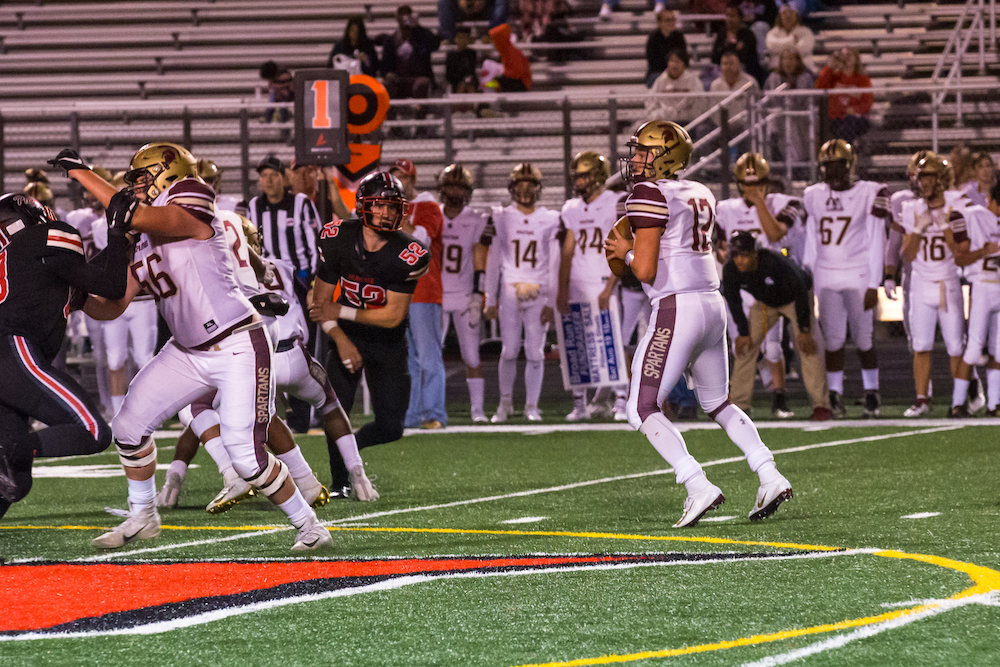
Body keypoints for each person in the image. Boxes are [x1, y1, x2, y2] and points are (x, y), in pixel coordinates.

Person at [53, 143, 330, 551]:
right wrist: (73, 296)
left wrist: (82, 174)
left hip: (237, 342)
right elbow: (112, 307)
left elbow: (142, 213)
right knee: (128, 428)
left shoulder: (191, 196)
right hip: (187, 351)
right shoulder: (143, 235)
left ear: (169, 172)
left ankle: (310, 526)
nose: (138, 188)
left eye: (144, 178)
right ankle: (143, 515)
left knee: (247, 458)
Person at [604, 120, 793, 527]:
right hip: (712, 304)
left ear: (664, 156)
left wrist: (626, 250)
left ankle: (696, 484)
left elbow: (648, 270)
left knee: (641, 408)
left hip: (677, 308)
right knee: (718, 402)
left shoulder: (647, 193)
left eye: (643, 151)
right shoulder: (700, 191)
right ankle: (769, 473)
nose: (635, 159)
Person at [0, 193, 129, 520]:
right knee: (92, 431)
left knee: (15, 479)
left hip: (9, 362)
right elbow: (112, 287)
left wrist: (125, 244)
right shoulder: (46, 238)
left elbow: (100, 299)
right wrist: (116, 233)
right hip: (11, 350)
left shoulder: (28, 265)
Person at [310, 172, 430, 491]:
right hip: (347, 335)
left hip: (388, 343)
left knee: (392, 427)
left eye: (393, 207)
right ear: (363, 206)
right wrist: (341, 339)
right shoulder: (337, 238)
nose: (387, 213)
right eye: (380, 205)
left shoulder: (408, 254)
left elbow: (392, 316)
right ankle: (338, 483)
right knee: (336, 411)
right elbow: (320, 303)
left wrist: (342, 310)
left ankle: (354, 450)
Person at [716, 153, 821, 418]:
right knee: (742, 344)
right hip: (751, 288)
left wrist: (759, 202)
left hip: (786, 285)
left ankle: (792, 399)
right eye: (747, 184)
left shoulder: (785, 203)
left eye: (759, 182)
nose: (752, 188)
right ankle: (739, 403)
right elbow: (719, 249)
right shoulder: (726, 209)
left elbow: (775, 233)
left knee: (785, 346)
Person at [802, 139, 889, 418]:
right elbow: (812, 238)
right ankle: (836, 394)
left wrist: (874, 282)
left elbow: (877, 238)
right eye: (827, 166)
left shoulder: (870, 191)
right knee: (833, 341)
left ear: (850, 165)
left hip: (859, 272)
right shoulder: (813, 194)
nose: (832, 172)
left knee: (864, 339)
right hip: (827, 275)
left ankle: (872, 392)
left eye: (838, 165)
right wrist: (808, 274)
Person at [723, 230, 831, 420]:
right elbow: (733, 300)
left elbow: (800, 289)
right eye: (736, 255)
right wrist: (742, 331)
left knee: (808, 346)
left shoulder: (774, 263)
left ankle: (821, 405)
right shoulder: (731, 269)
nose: (739, 260)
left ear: (754, 253)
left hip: (795, 299)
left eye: (744, 255)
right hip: (765, 302)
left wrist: (804, 330)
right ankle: (739, 405)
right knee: (745, 346)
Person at [484, 163, 561, 422]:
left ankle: (531, 405)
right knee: (508, 350)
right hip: (510, 289)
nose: (525, 189)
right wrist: (489, 296)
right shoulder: (500, 216)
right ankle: (505, 403)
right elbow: (493, 258)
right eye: (520, 184)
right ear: (512, 187)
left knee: (535, 351)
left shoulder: (550, 218)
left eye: (530, 184)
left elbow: (554, 260)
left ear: (539, 189)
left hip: (538, 289)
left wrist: (550, 296)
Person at [895, 154, 970, 417]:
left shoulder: (956, 204)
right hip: (921, 282)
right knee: (921, 345)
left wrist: (944, 225)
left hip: (948, 282)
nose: (923, 182)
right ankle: (921, 399)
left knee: (955, 346)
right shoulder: (911, 208)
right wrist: (917, 229)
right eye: (920, 176)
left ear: (940, 179)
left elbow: (959, 249)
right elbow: (907, 255)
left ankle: (961, 399)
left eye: (928, 176)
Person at [556, 152, 626, 421]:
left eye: (584, 176)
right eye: (577, 176)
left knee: (610, 342)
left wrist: (610, 285)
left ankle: (620, 400)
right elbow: (567, 251)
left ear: (597, 177)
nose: (579, 181)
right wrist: (562, 289)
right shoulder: (571, 208)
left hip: (601, 279)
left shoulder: (615, 202)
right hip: (577, 281)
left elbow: (621, 246)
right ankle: (580, 403)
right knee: (577, 344)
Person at [389, 160, 448, 431]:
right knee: (405, 359)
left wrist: (399, 216)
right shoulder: (390, 206)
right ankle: (410, 415)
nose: (399, 183)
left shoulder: (427, 206)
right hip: (397, 290)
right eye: (395, 178)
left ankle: (434, 413)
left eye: (402, 177)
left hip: (423, 289)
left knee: (428, 356)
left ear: (412, 180)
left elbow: (419, 241)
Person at [438, 164, 490, 422]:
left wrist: (477, 296)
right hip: (436, 296)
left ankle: (477, 410)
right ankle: (432, 408)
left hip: (462, 294)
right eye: (450, 185)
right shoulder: (433, 215)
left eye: (459, 186)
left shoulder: (476, 219)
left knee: (471, 355)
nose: (454, 191)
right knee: (430, 357)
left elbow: (479, 258)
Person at [951, 180, 1000, 417]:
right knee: (972, 349)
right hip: (981, 286)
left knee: (999, 350)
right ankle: (957, 404)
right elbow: (955, 216)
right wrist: (981, 250)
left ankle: (994, 405)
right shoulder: (977, 214)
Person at [248, 155, 320, 315]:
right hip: (269, 278)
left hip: (300, 278)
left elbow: (316, 245)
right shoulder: (254, 206)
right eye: (264, 176)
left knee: (307, 324)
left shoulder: (300, 203)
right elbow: (252, 246)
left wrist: (314, 282)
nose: (269, 180)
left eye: (274, 175)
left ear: (284, 178)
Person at [379, 5, 441, 114]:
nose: (405, 19)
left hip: (416, 78)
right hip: (398, 80)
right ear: (397, 18)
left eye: (407, 15)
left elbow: (435, 44)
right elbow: (384, 66)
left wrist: (417, 26)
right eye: (402, 15)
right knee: (387, 85)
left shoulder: (421, 37)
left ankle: (420, 124)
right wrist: (388, 74)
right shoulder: (390, 40)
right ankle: (394, 127)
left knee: (423, 83)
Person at [763, 48, 815, 170]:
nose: (788, 62)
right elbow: (771, 101)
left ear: (798, 61)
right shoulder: (773, 77)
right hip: (778, 116)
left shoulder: (806, 77)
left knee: (791, 122)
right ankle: (776, 156)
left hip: (801, 117)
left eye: (792, 58)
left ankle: (797, 164)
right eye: (785, 59)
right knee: (774, 120)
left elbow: (805, 101)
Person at [815, 48, 872, 146]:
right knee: (841, 126)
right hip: (836, 119)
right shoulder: (833, 77)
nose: (847, 58)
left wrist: (855, 109)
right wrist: (829, 66)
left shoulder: (862, 79)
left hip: (856, 119)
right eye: (844, 55)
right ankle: (847, 149)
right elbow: (819, 86)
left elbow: (868, 101)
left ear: (856, 58)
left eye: (850, 55)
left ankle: (844, 150)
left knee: (849, 122)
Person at [645, 50, 706, 129]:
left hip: (688, 122)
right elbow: (651, 103)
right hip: (664, 122)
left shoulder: (694, 81)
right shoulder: (660, 81)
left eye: (677, 61)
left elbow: (700, 106)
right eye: (672, 61)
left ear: (684, 64)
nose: (674, 65)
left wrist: (681, 115)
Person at [712, 2, 767, 87]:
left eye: (733, 16)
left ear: (739, 18)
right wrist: (730, 46)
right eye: (728, 15)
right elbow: (714, 57)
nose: (730, 19)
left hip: (746, 71)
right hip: (724, 71)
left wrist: (731, 48)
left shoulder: (747, 34)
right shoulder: (722, 34)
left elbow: (748, 57)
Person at [709, 48, 761, 136]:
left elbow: (756, 109)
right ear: (720, 67)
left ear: (740, 66)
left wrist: (740, 123)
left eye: (731, 63)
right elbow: (714, 113)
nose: (728, 67)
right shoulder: (715, 85)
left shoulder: (750, 83)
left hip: (745, 127)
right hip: (721, 126)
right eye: (725, 64)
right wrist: (723, 126)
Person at [765, 3, 814, 71]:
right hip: (778, 72)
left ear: (796, 15)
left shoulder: (806, 31)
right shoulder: (772, 33)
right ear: (780, 16)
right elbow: (772, 47)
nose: (788, 16)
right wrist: (792, 40)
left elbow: (804, 49)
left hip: (802, 70)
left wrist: (781, 48)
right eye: (784, 13)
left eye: (791, 12)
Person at [645, 10, 688, 88]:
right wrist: (670, 69)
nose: (671, 23)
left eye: (673, 19)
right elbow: (652, 62)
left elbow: (684, 58)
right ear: (659, 23)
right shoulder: (653, 38)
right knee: (658, 80)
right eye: (668, 20)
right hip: (658, 72)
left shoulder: (679, 36)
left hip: (678, 72)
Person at [438, 0, 508, 43]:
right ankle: (451, 38)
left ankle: (494, 35)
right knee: (444, 2)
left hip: (487, 6)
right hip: (463, 6)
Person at [488, 23, 531, 91]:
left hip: (518, 85)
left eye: (496, 39)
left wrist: (501, 74)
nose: (494, 42)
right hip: (510, 82)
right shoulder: (505, 52)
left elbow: (516, 73)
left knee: (491, 84)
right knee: (487, 84)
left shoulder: (512, 52)